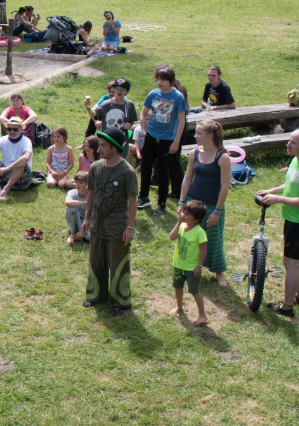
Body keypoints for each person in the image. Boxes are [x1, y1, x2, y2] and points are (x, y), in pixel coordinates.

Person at [257, 128, 299, 318]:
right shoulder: (297, 160)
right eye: (289, 140)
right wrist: (271, 190)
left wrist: (279, 199)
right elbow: (291, 184)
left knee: (290, 263)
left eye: (293, 142)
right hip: (293, 219)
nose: (288, 144)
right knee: (297, 258)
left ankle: (287, 307)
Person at [78, 128, 138, 316]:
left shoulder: (127, 172)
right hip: (97, 225)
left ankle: (120, 301)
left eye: (103, 145)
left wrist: (130, 227)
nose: (100, 149)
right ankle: (96, 296)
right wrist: (87, 218)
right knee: (96, 261)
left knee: (118, 263)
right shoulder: (95, 167)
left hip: (117, 228)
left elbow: (132, 200)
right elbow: (91, 194)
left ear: (115, 147)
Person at [178, 119, 231, 285]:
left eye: (199, 133)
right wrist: (181, 202)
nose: (195, 136)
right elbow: (187, 179)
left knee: (213, 240)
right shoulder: (194, 153)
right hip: (192, 203)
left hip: (212, 205)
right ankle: (188, 267)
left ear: (210, 135)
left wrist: (217, 211)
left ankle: (218, 273)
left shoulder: (222, 157)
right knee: (189, 237)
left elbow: (224, 186)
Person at [137, 64, 187, 216]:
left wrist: (176, 141)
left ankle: (162, 203)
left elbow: (181, 120)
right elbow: (144, 113)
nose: (159, 82)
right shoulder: (153, 94)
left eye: (163, 80)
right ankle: (143, 196)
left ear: (171, 81)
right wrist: (144, 131)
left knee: (163, 171)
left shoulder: (177, 97)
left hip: (167, 139)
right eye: (158, 79)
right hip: (151, 136)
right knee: (145, 167)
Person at [168, 200, 209, 326]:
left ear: (196, 219)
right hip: (178, 265)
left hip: (192, 268)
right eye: (183, 213)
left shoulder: (199, 232)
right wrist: (179, 222)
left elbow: (203, 249)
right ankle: (179, 306)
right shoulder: (181, 226)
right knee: (177, 287)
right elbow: (172, 237)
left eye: (186, 214)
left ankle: (202, 315)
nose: (182, 215)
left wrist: (199, 266)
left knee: (194, 291)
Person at [0, 119, 33, 201]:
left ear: (21, 130)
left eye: (15, 129)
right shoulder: (4, 139)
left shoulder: (26, 141)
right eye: (9, 129)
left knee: (21, 161)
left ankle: (6, 189)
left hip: (22, 175)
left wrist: (7, 168)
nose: (12, 132)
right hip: (5, 172)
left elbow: (26, 157)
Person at [92, 78, 136, 143]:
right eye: (117, 88)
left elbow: (132, 120)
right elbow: (94, 113)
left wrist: (129, 125)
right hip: (106, 138)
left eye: (122, 89)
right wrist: (88, 109)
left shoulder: (129, 104)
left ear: (127, 92)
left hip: (121, 139)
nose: (119, 91)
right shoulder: (106, 103)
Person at [65, 170, 90, 244]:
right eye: (76, 182)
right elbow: (67, 202)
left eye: (81, 183)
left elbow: (96, 217)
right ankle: (73, 233)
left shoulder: (92, 195)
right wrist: (85, 202)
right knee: (71, 209)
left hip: (89, 223)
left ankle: (81, 233)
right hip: (76, 219)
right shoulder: (72, 192)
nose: (77, 185)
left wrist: (83, 231)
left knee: (89, 237)